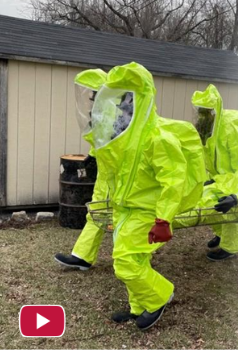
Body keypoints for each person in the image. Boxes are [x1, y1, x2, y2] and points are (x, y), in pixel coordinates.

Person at [89, 62, 203, 330]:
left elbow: (173, 181)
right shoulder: (126, 139)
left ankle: (160, 295)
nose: (123, 108)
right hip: (126, 209)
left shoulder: (158, 138)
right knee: (136, 259)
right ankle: (138, 306)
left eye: (128, 101)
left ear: (141, 100)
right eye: (121, 101)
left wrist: (163, 219)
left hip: (147, 213)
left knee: (125, 263)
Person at [191, 84, 238, 261]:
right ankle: (220, 235)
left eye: (205, 112)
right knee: (214, 205)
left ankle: (229, 247)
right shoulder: (207, 128)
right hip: (217, 175)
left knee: (228, 208)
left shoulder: (229, 126)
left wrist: (235, 181)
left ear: (213, 111)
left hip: (232, 175)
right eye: (200, 111)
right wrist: (211, 178)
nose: (202, 115)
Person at [53, 69, 109, 270]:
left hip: (123, 175)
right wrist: (92, 155)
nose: (91, 98)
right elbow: (100, 139)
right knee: (96, 211)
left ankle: (135, 261)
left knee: (126, 217)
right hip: (107, 173)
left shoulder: (115, 110)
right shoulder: (101, 111)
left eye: (95, 93)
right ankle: (82, 257)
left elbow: (117, 140)